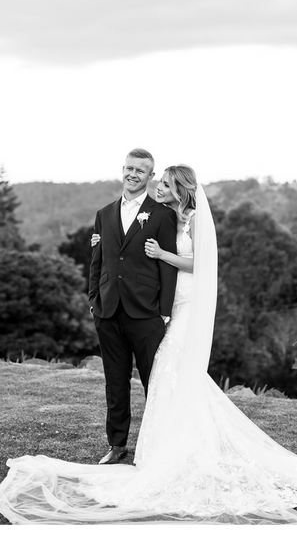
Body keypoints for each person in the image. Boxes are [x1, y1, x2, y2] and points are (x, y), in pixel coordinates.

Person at [0, 164, 297, 524]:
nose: (159, 187)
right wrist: (104, 244)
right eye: (159, 182)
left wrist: (162, 256)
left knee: (169, 374)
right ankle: (163, 446)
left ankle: (181, 449)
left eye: (166, 184)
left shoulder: (192, 219)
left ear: (180, 189)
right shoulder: (164, 216)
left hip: (184, 306)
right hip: (159, 304)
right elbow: (129, 251)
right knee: (169, 378)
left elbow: (201, 264)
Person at [87, 148, 177, 465]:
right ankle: (117, 445)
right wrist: (93, 300)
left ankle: (160, 443)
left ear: (150, 176)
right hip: (108, 311)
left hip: (147, 312)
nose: (133, 174)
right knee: (115, 380)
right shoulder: (104, 214)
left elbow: (168, 266)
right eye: (129, 168)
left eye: (141, 170)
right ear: (122, 170)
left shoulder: (163, 215)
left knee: (154, 381)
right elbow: (98, 262)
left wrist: (164, 311)